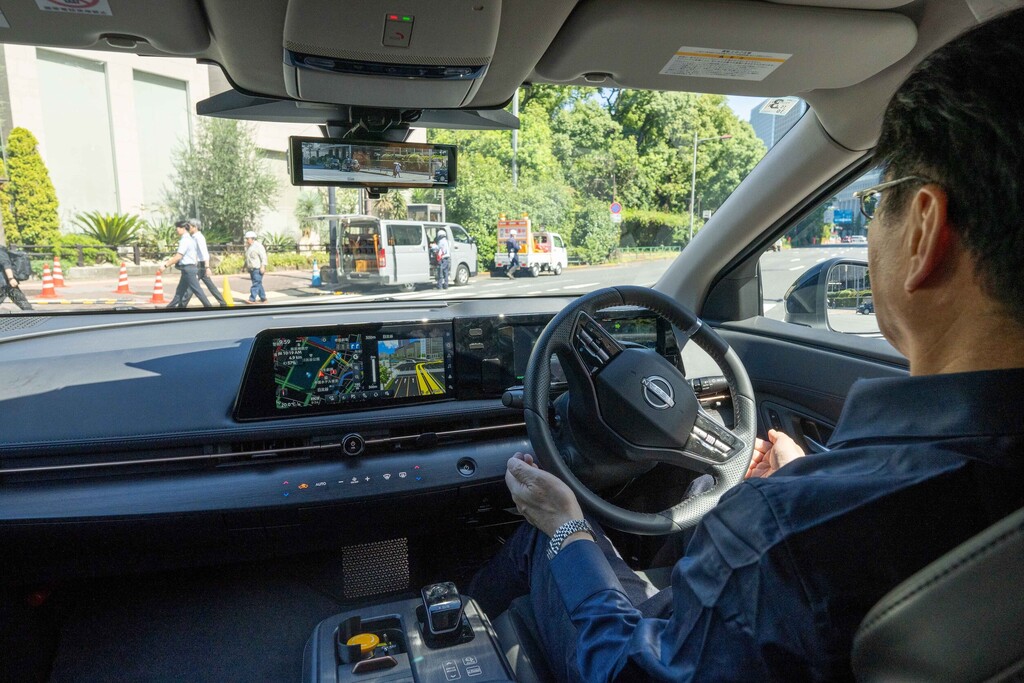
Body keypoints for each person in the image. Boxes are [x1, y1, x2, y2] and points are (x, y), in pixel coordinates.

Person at [468, 9, 1024, 681]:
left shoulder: (782, 533)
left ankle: (458, 625)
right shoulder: (821, 513)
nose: (874, 223)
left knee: (545, 540)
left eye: (878, 199)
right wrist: (807, 478)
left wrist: (565, 521)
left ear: (925, 229)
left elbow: (627, 670)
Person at [163, 220, 212, 308]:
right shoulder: (190, 239)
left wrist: (165, 265)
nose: (176, 230)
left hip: (188, 269)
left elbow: (178, 256)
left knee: (197, 291)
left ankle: (209, 307)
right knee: (180, 291)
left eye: (177, 228)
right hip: (188, 268)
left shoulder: (185, 240)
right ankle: (170, 308)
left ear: (183, 228)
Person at [179, 218, 226, 307]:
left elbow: (204, 252)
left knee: (191, 286)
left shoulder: (199, 237)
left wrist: (207, 267)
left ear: (195, 227)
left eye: (189, 226)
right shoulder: (193, 237)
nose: (188, 228)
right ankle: (223, 303)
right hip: (199, 265)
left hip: (200, 265)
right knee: (210, 285)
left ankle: (181, 306)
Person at [0, 245, 34, 311]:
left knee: (24, 305)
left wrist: (11, 278)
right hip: (6, 284)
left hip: (5, 284)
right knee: (24, 305)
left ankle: (32, 314)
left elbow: (6, 265)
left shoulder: (0, 251)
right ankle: (32, 314)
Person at [243, 230, 268, 304]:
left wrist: (263, 266)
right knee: (258, 283)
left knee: (256, 284)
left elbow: (263, 257)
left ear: (252, 238)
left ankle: (252, 299)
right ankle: (263, 298)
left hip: (257, 268)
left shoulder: (258, 246)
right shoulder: (249, 247)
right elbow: (248, 258)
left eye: (248, 239)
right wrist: (244, 266)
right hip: (252, 269)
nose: (247, 240)